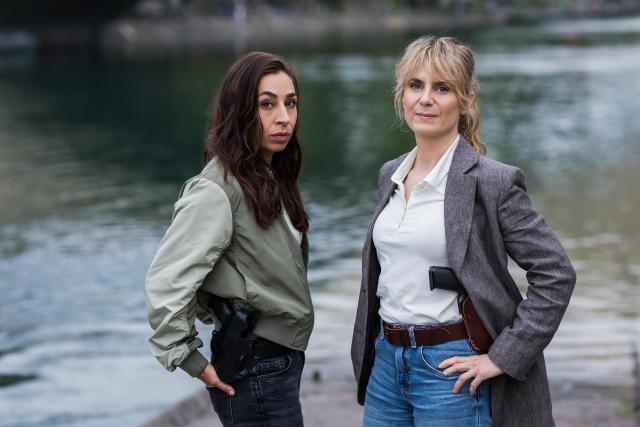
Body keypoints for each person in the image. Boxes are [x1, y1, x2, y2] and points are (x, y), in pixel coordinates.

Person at [351, 36, 576, 426]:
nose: (425, 99)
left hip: (450, 367)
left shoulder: (494, 182)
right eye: (415, 85)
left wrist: (502, 357)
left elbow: (556, 274)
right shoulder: (390, 173)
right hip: (386, 363)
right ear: (401, 95)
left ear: (466, 100)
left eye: (442, 88)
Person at [145, 52, 312, 427]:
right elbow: (166, 282)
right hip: (254, 368)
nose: (284, 117)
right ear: (239, 111)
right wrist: (190, 359)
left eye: (290, 103)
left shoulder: (268, 176)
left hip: (277, 362)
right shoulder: (216, 189)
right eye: (267, 105)